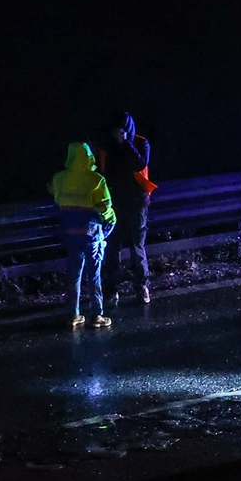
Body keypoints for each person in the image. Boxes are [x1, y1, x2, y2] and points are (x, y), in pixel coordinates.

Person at [49, 142, 116, 329]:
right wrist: (111, 222)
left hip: (70, 234)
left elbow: (57, 200)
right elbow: (106, 207)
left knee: (74, 274)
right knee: (94, 274)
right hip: (91, 234)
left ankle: (74, 314)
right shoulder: (96, 180)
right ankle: (97, 315)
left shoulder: (59, 179)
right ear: (89, 157)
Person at [98, 111, 157, 305]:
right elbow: (102, 172)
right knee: (112, 248)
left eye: (121, 131)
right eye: (115, 131)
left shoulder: (140, 143)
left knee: (136, 247)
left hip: (137, 203)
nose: (117, 135)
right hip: (114, 205)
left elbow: (140, 163)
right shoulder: (107, 147)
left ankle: (142, 287)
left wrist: (126, 143)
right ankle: (112, 289)